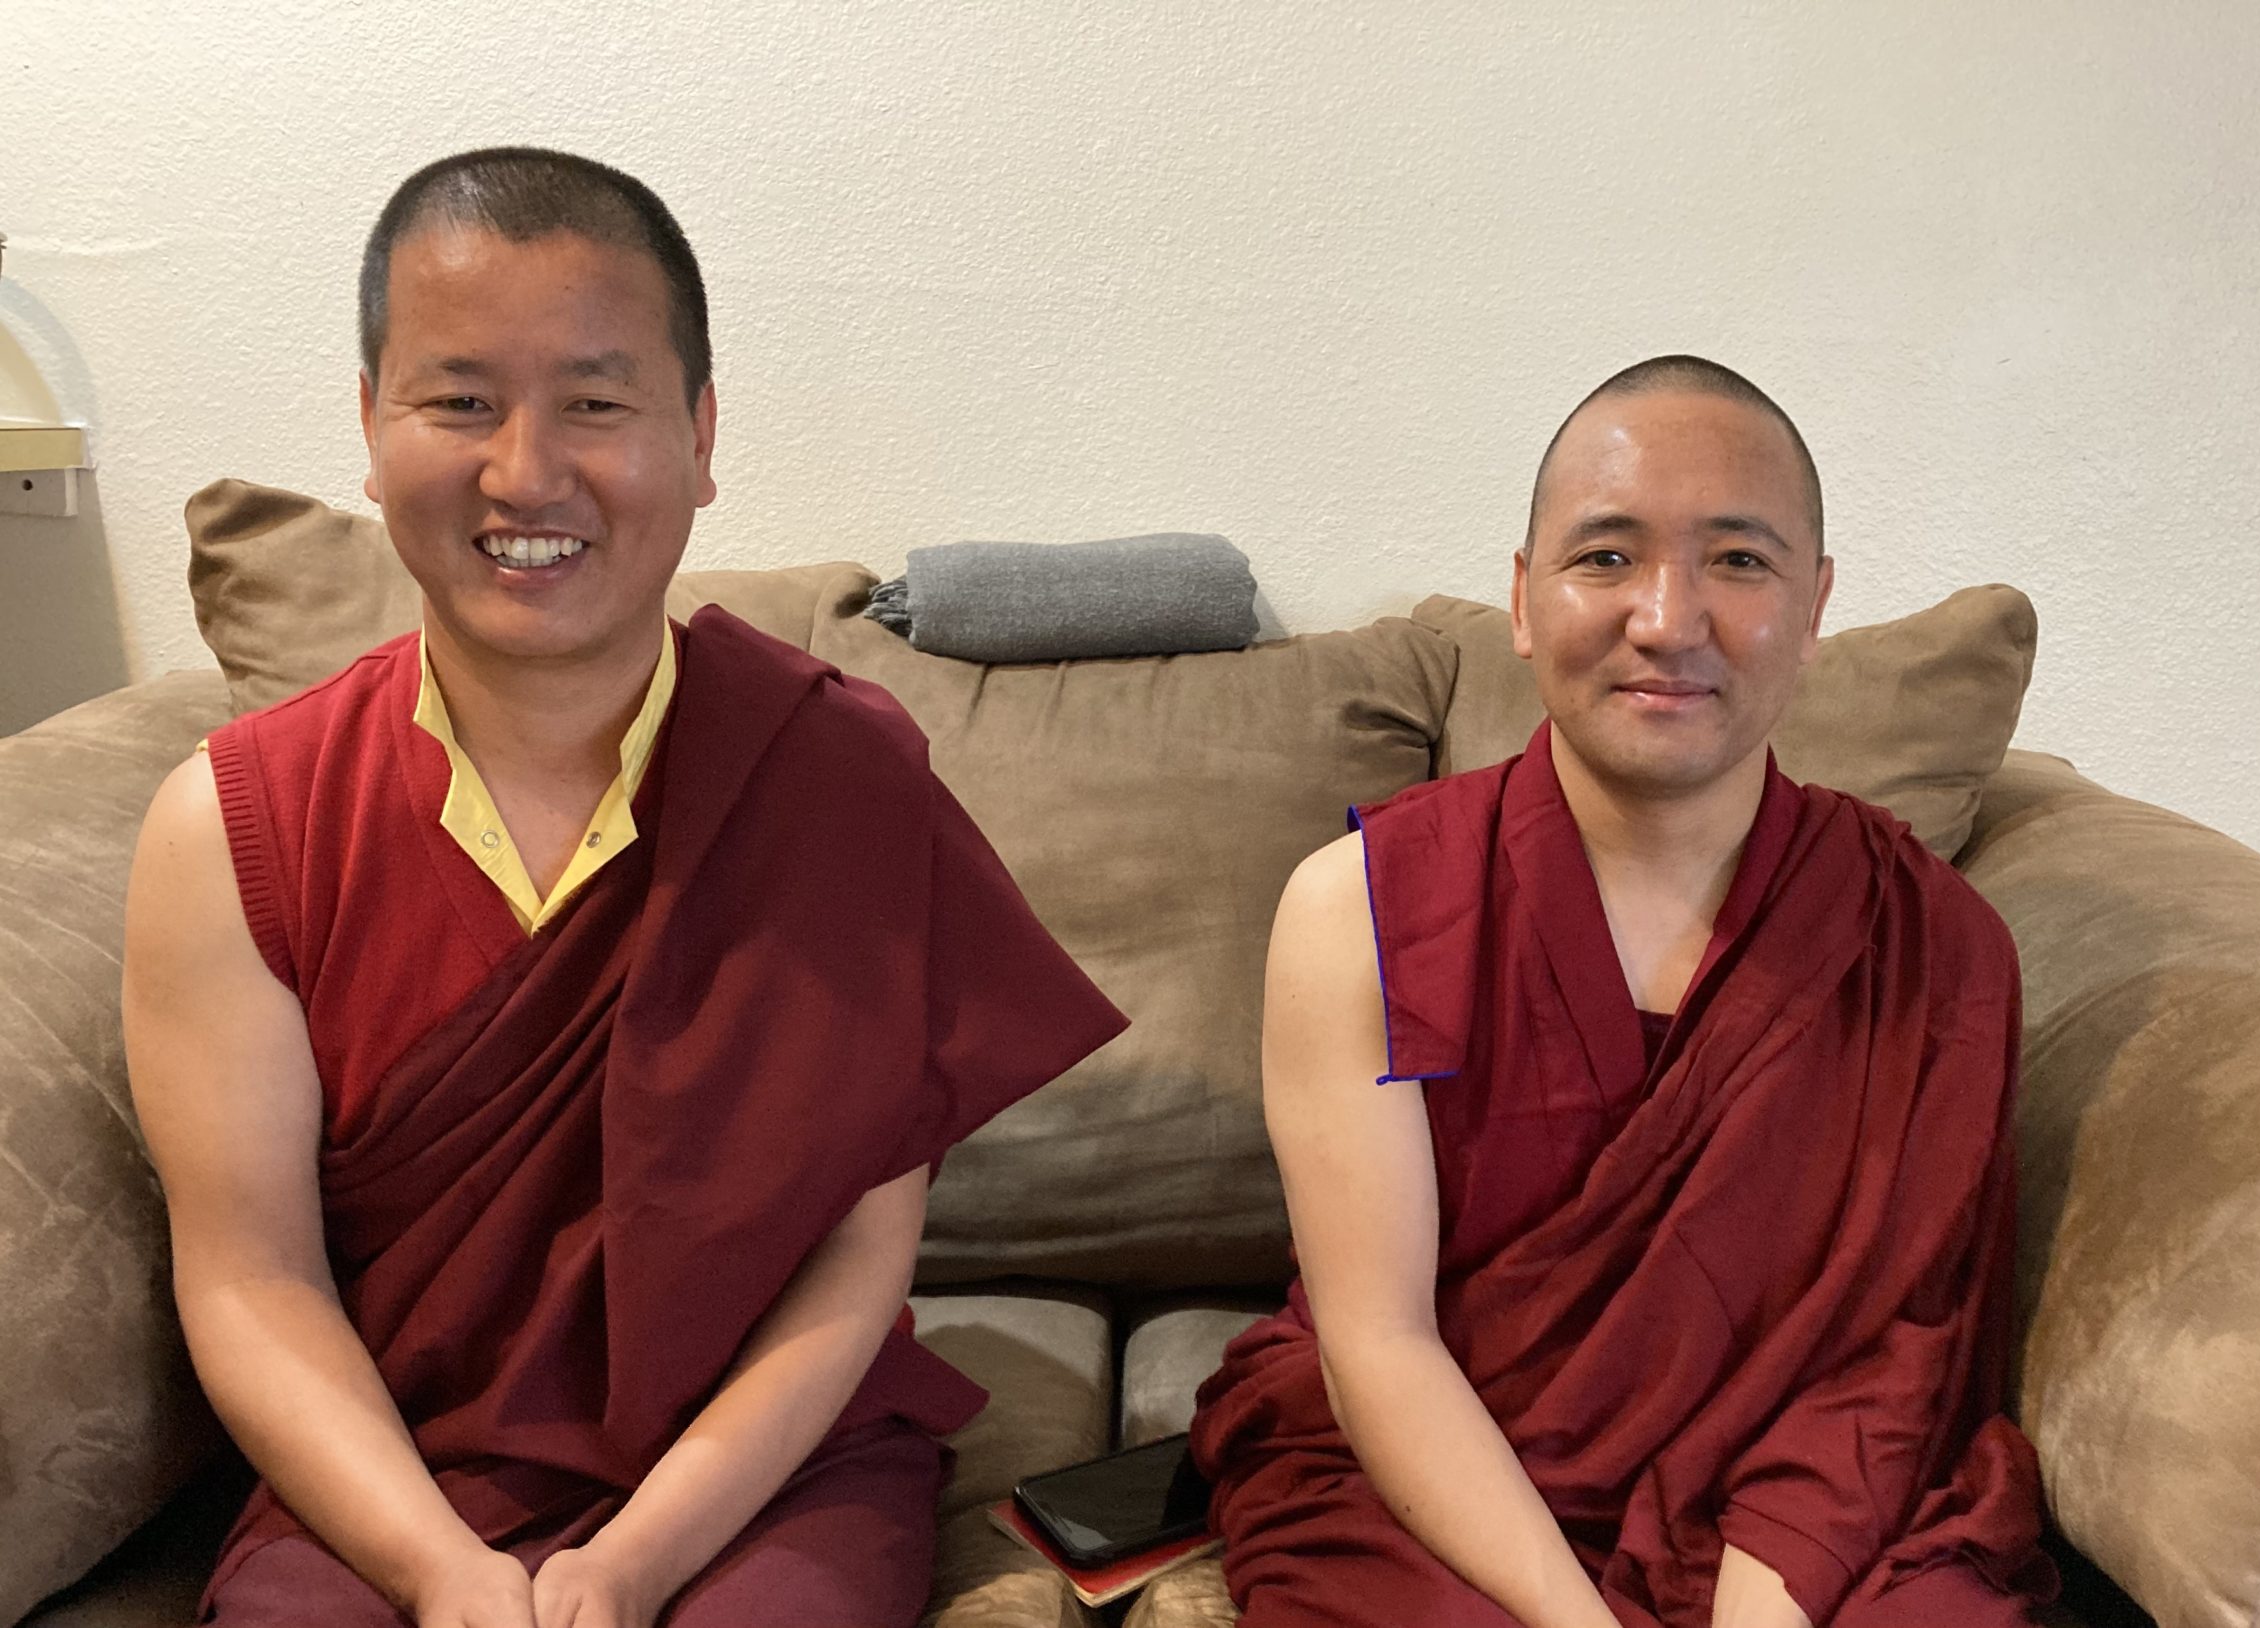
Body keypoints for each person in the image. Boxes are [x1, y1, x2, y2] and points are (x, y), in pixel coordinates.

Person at [121, 147, 1125, 1628]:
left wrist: (635, 1563)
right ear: (370, 421)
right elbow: (252, 1283)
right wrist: (436, 1569)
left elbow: (857, 1252)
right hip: (388, 1475)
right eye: (461, 401)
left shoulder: (839, 781)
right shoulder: (236, 827)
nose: (526, 473)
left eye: (595, 403)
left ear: (701, 436)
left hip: (762, 1476)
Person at [1191, 356, 2055, 1627]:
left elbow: (1888, 1361)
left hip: (1799, 1521)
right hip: (1429, 1486)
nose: (1666, 618)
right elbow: (1379, 1341)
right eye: (1606, 556)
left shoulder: (1929, 943)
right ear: (1523, 599)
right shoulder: (1361, 909)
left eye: (1738, 561)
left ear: (1815, 607)